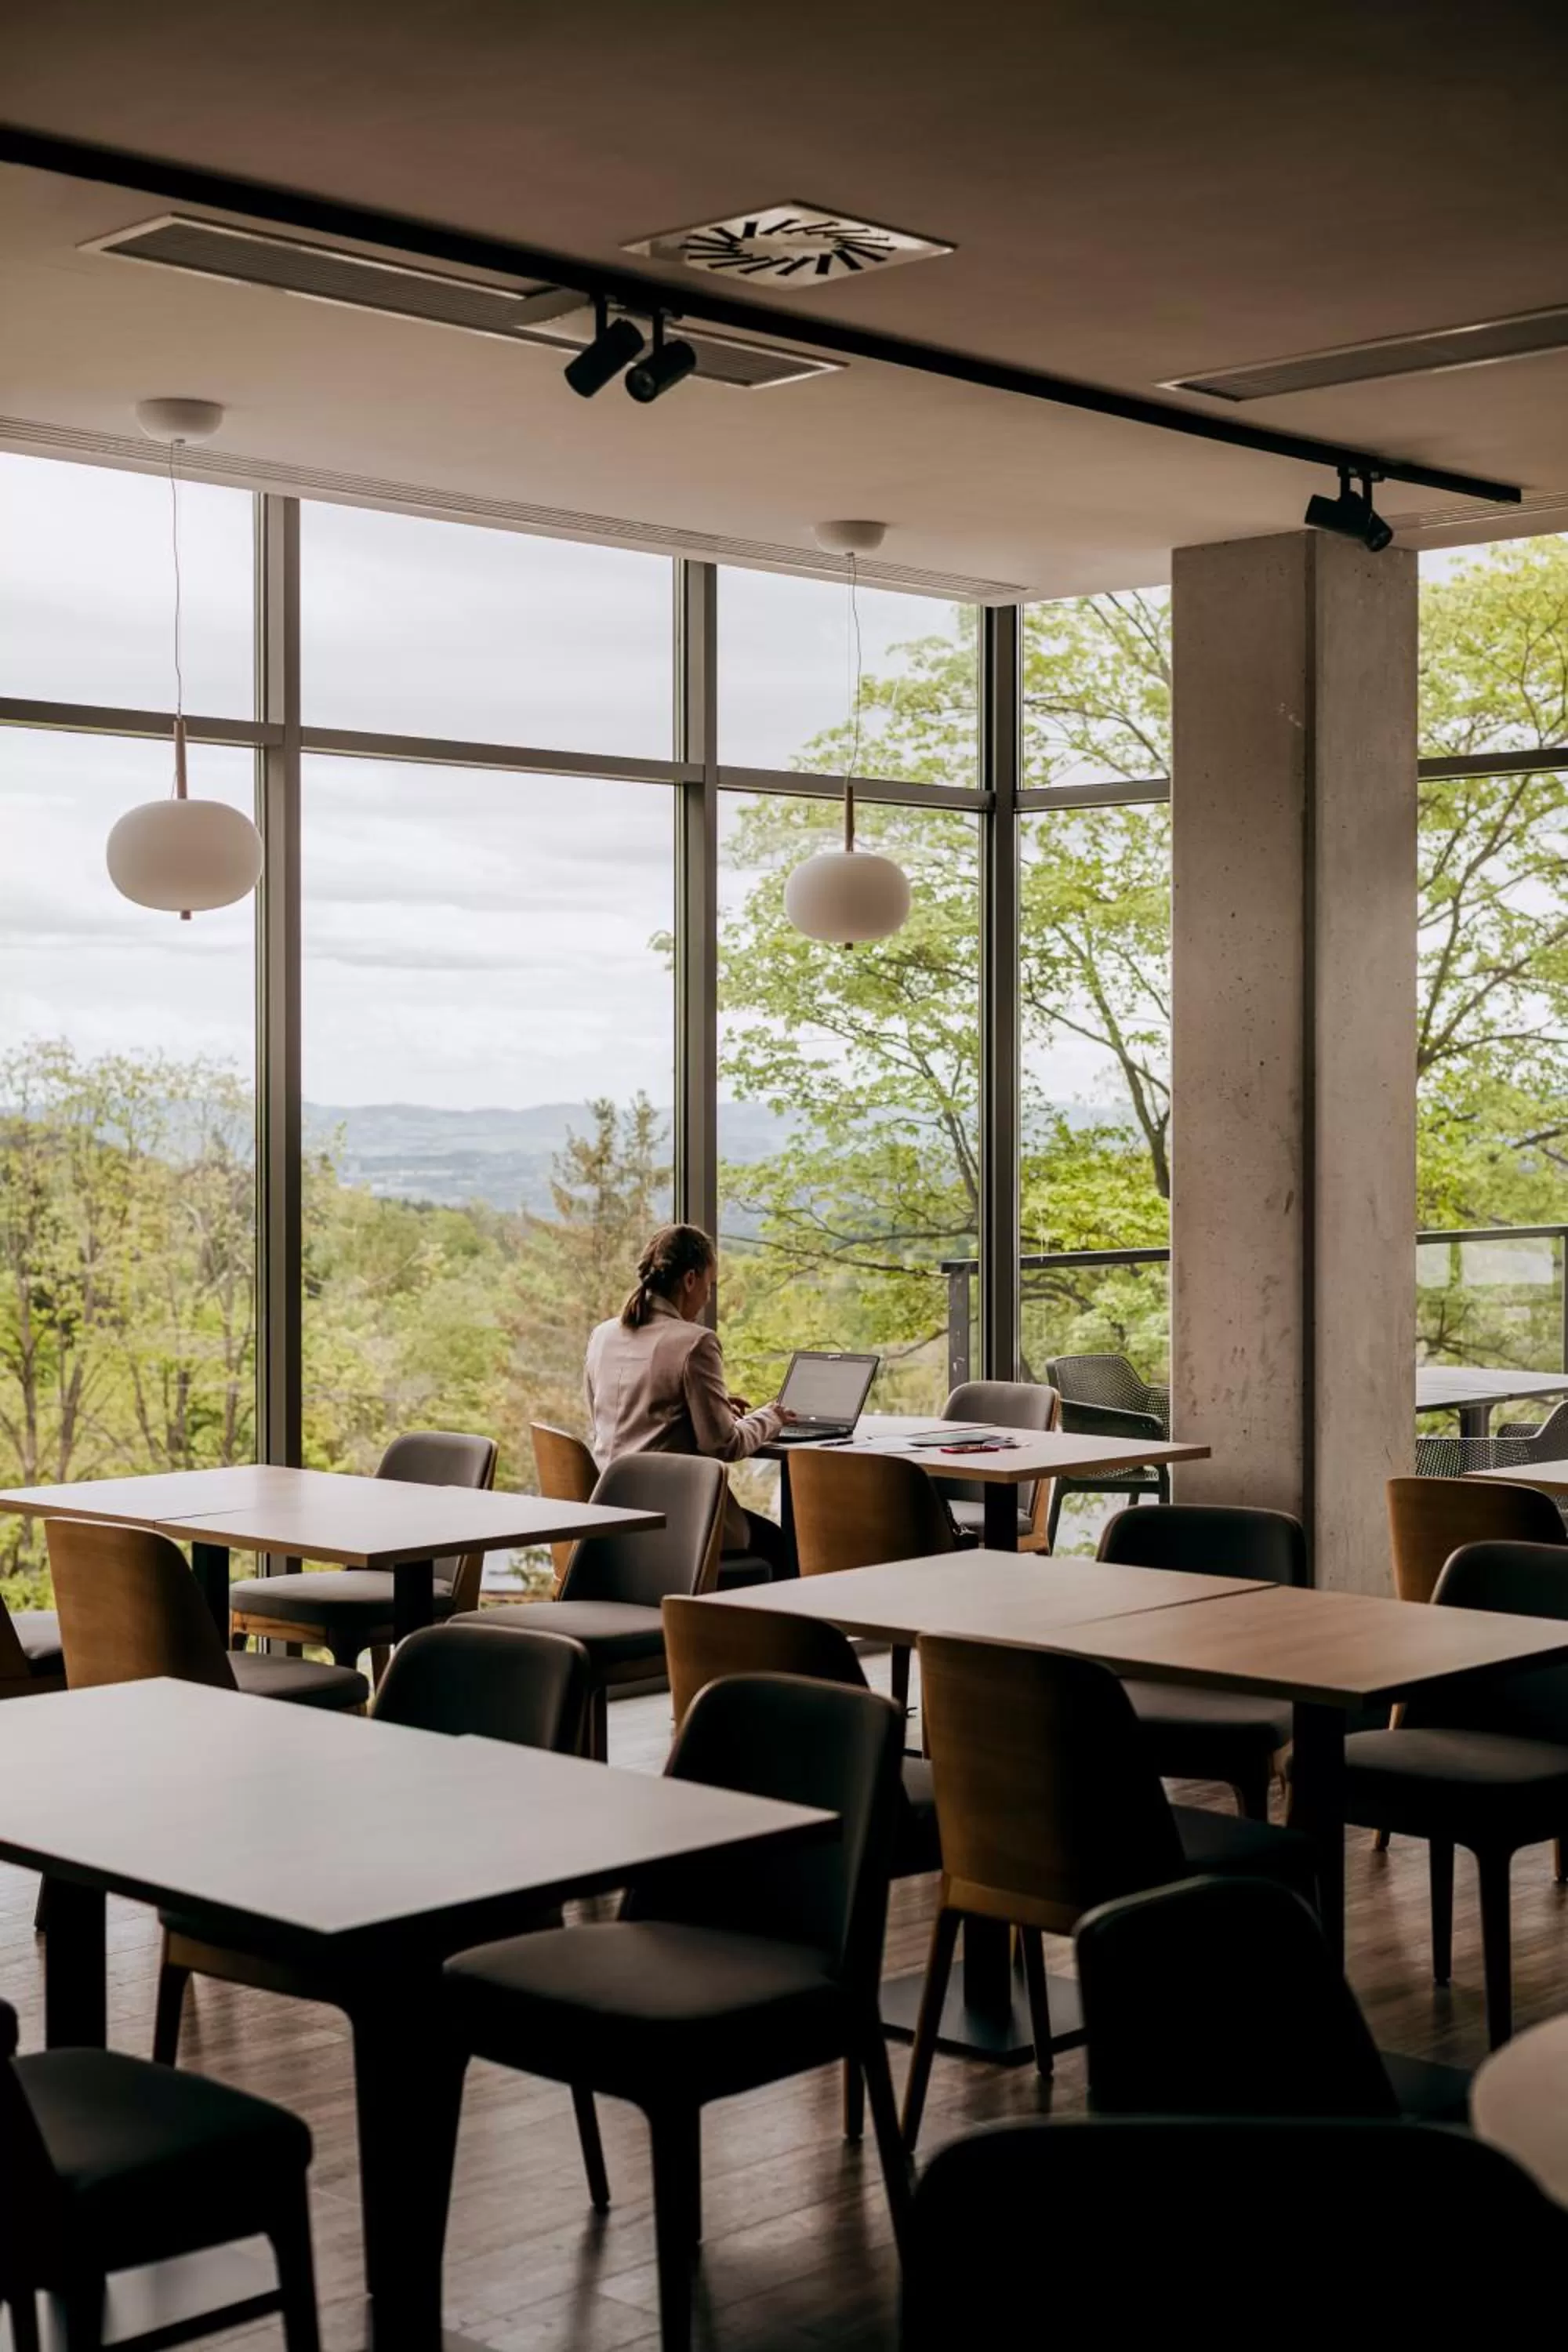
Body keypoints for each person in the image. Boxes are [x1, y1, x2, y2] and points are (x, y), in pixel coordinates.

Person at [583, 1223, 795, 1578]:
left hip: (611, 1512)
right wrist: (771, 1417)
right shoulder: (696, 1342)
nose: (708, 1299)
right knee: (778, 1545)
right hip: (676, 1518)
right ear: (691, 1280)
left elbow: (616, 1416)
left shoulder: (602, 1335)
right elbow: (722, 1444)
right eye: (710, 1287)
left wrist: (706, 1404)